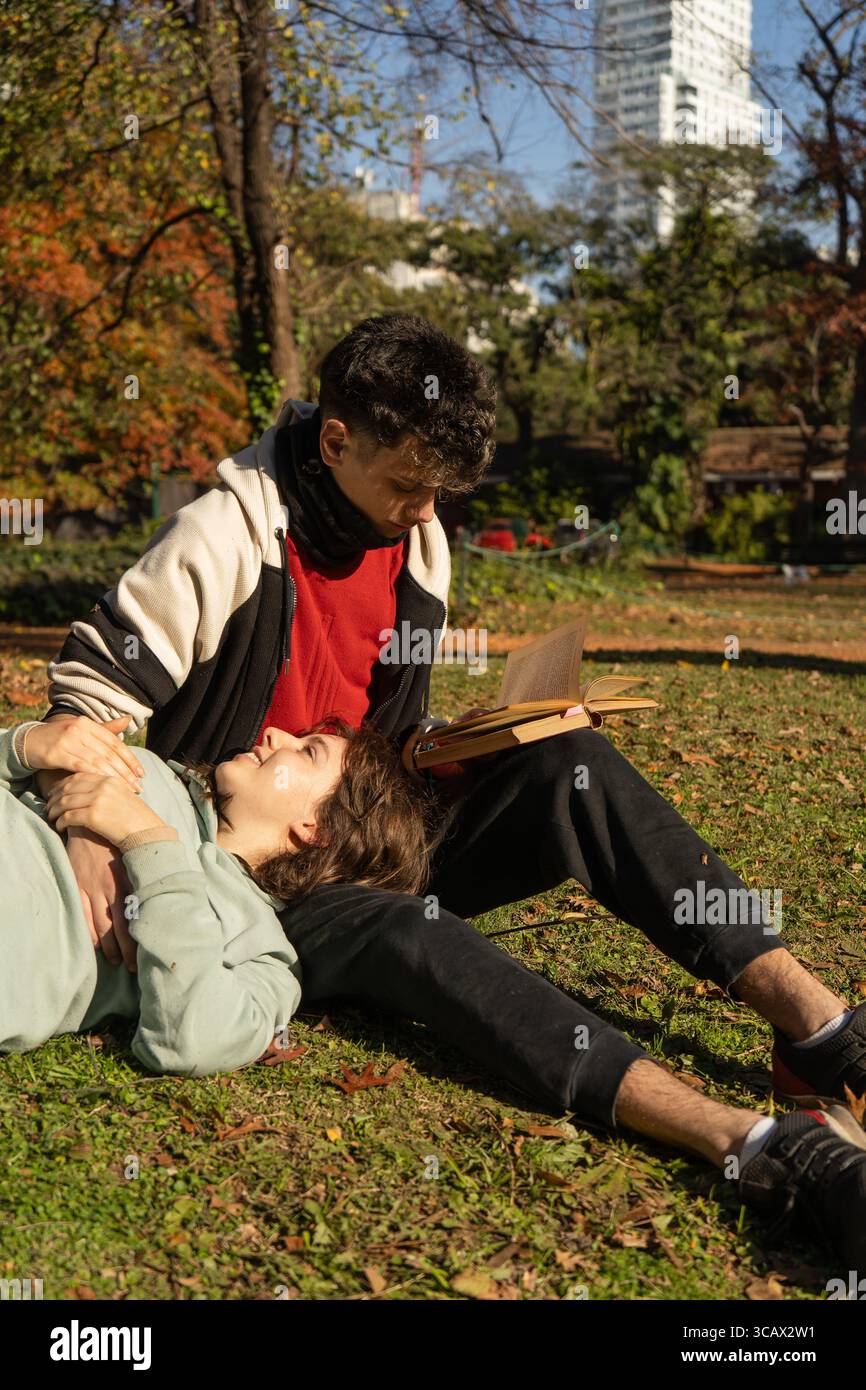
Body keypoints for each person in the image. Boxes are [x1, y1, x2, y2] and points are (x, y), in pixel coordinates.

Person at [39, 313, 866, 1266]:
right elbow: (89, 692)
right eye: (410, 487)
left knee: (570, 769)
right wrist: (108, 844)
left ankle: (821, 1032)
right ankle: (752, 1147)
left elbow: (385, 733)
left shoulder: (417, 544)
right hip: (256, 872)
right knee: (404, 929)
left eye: (442, 493)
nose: (429, 513)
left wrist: (473, 746)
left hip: (362, 817)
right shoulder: (221, 533)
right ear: (337, 441)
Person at [0, 712, 429, 1075]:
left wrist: (147, 841)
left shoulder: (265, 955)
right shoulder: (148, 771)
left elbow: (194, 1040)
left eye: (307, 751)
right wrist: (25, 745)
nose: (274, 734)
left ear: (319, 830)